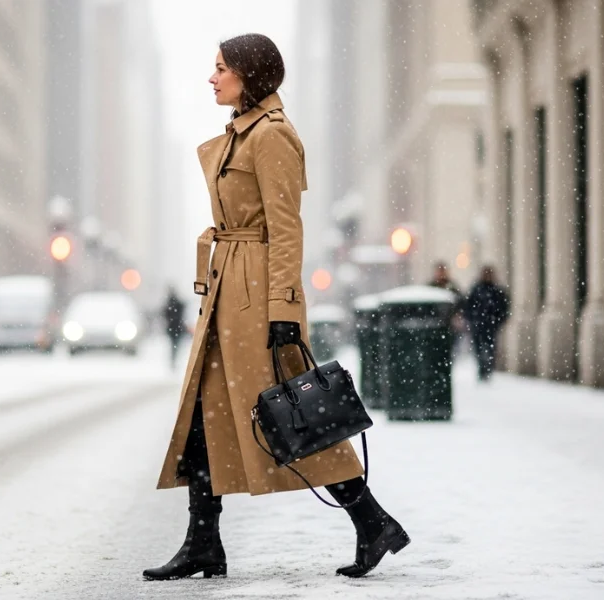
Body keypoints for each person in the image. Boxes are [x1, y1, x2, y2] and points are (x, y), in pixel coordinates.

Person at [143, 33, 409, 582]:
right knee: (204, 416)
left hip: (256, 294)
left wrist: (283, 310)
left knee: (291, 414)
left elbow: (286, 230)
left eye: (220, 68)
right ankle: (204, 541)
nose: (211, 78)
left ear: (249, 73)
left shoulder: (272, 136)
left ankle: (371, 519)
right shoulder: (242, 134)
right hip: (227, 290)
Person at [464, 265, 510, 381]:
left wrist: (498, 320)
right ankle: (482, 369)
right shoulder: (477, 289)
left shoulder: (496, 290)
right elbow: (468, 306)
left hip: (490, 325)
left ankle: (488, 369)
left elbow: (503, 307)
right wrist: (471, 319)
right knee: (479, 348)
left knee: (490, 348)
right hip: (478, 325)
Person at [428, 261, 465, 355]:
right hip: (434, 325)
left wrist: (457, 316)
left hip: (449, 325)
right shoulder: (430, 287)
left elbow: (460, 303)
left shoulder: (452, 287)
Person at [161, 286, 187, 370]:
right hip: (176, 328)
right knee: (175, 346)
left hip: (173, 328)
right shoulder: (177, 304)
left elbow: (165, 314)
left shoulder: (170, 304)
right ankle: (174, 361)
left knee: (174, 346)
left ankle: (173, 361)